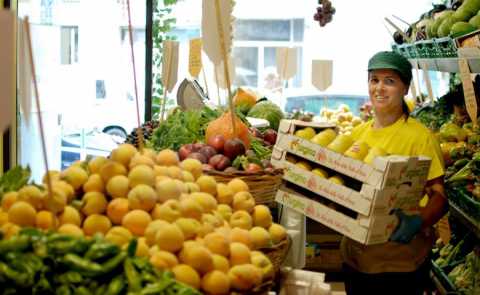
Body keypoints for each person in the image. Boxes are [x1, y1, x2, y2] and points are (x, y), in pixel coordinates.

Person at [340, 51, 448, 295]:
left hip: (400, 263)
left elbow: (439, 196)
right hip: (355, 258)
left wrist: (419, 220)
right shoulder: (356, 136)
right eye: (374, 80)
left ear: (405, 88)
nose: (379, 88)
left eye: (390, 81)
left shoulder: (421, 137)